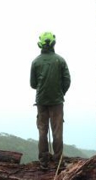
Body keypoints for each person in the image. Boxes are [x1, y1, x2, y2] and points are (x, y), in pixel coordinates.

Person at [30, 31, 71, 170]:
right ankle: (58, 162)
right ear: (53, 43)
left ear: (40, 44)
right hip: (57, 101)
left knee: (42, 130)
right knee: (57, 131)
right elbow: (67, 80)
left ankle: (43, 161)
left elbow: (33, 84)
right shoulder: (60, 60)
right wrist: (60, 93)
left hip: (41, 101)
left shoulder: (35, 62)